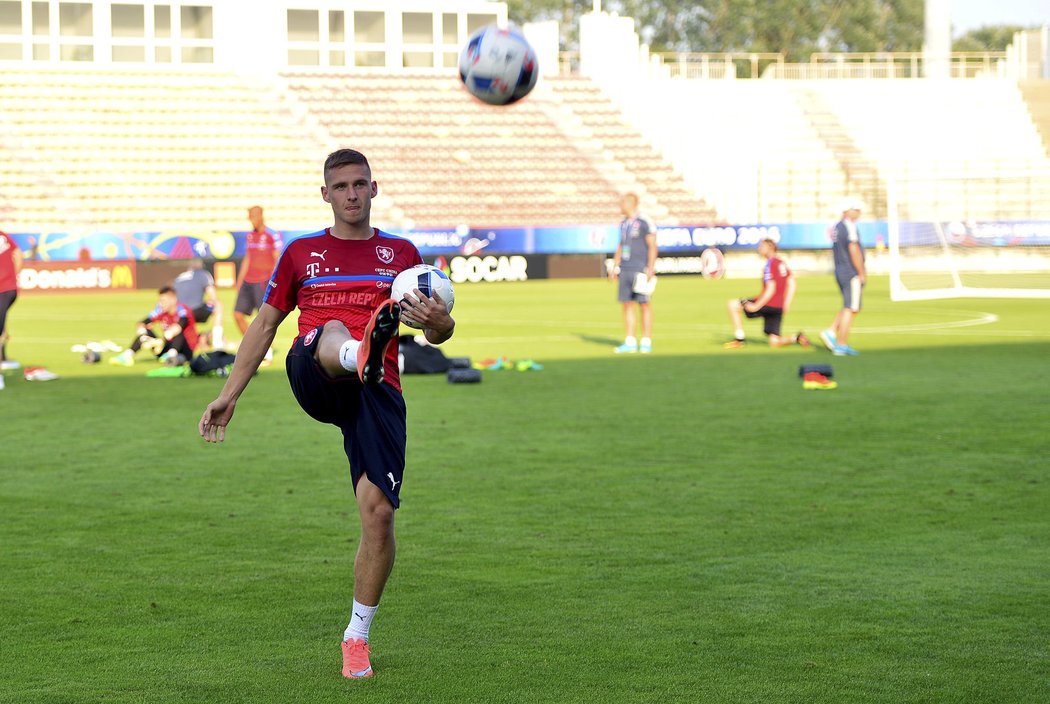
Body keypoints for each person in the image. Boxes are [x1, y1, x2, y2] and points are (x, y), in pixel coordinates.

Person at [198, 148, 455, 680]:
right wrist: (231, 393)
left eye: (360, 184)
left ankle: (355, 636)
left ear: (374, 189)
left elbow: (440, 333)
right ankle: (353, 350)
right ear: (326, 195)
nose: (352, 194)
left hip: (377, 390)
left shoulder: (403, 255)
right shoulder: (302, 254)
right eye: (341, 187)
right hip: (315, 371)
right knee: (333, 329)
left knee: (379, 514)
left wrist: (439, 323)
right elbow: (264, 326)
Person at [724, 239, 809, 349]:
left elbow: (771, 288)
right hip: (778, 306)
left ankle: (739, 339)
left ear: (770, 248)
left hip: (767, 303)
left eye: (761, 246)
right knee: (774, 342)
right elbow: (792, 283)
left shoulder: (770, 264)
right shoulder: (781, 263)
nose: (759, 249)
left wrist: (756, 306)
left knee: (733, 304)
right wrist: (786, 304)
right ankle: (796, 338)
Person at [609, 193, 657, 354]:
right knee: (627, 304)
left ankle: (646, 341)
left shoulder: (644, 222)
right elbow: (621, 246)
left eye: (622, 203)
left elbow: (652, 245)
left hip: (640, 269)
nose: (619, 206)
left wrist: (650, 267)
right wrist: (615, 267)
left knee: (644, 304)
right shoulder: (623, 224)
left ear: (630, 204)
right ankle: (630, 341)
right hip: (625, 268)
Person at [110, 286, 200, 366]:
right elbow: (142, 323)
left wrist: (160, 341)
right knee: (146, 332)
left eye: (163, 301)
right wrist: (143, 332)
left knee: (176, 332)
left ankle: (171, 355)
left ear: (173, 300)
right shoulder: (161, 310)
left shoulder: (183, 310)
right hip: (165, 346)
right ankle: (127, 356)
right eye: (160, 300)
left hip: (185, 350)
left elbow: (178, 328)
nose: (161, 303)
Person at [820, 201, 866, 356]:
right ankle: (841, 343)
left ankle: (831, 331)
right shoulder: (848, 226)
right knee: (851, 307)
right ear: (848, 210)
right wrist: (861, 272)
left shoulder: (837, 227)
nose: (859, 213)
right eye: (857, 209)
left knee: (850, 305)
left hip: (841, 270)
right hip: (850, 271)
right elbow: (853, 249)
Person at [234, 206, 283, 341]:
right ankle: (252, 344)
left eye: (253, 216)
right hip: (248, 281)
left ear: (261, 215)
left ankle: (265, 350)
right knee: (237, 315)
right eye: (250, 217)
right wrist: (239, 280)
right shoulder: (250, 235)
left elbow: (277, 258)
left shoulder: (272, 234)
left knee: (262, 319)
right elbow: (248, 258)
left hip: (263, 281)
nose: (251, 220)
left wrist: (273, 281)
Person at [174, 258, 225, 348]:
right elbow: (213, 296)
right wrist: (212, 302)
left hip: (179, 313)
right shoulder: (203, 274)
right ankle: (217, 342)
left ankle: (201, 338)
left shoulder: (179, 277)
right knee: (218, 307)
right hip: (195, 310)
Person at [0, 228, 23, 379]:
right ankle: (3, 358)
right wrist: (14, 275)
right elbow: (18, 253)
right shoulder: (3, 235)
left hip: (3, 289)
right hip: (10, 288)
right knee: (1, 325)